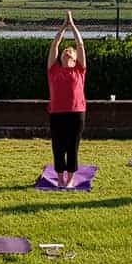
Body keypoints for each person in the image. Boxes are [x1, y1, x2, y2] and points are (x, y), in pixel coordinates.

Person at [46, 10, 87, 188]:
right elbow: (55, 45)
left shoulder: (80, 70)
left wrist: (73, 25)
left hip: (77, 112)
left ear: (75, 57)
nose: (67, 53)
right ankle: (60, 177)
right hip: (57, 112)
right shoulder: (53, 70)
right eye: (65, 52)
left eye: (70, 52)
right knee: (58, 146)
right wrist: (64, 26)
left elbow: (80, 44)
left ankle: (70, 179)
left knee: (72, 146)